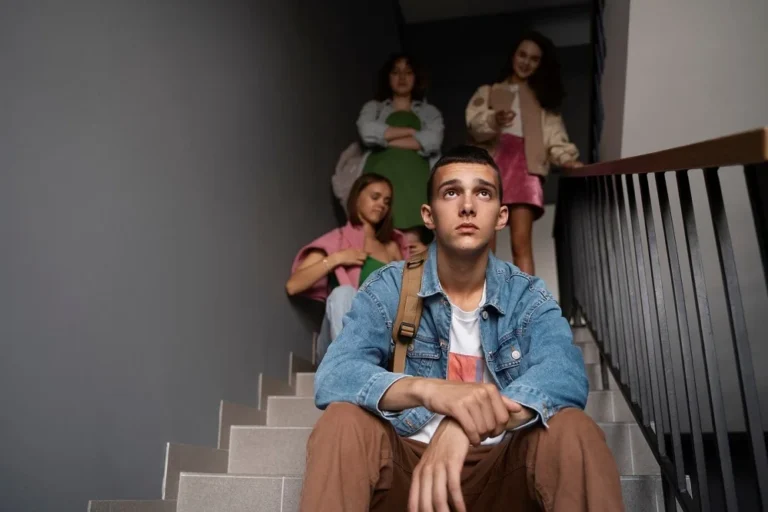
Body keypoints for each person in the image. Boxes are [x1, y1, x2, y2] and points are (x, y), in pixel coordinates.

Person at [299, 146, 623, 511]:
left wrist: (462, 425)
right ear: (429, 215)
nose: (467, 206)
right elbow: (335, 375)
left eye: (482, 193)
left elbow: (565, 376)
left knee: (574, 429)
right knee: (342, 421)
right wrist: (431, 391)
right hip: (409, 469)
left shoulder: (527, 295)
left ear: (501, 216)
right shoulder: (390, 287)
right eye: (451, 192)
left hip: (499, 468)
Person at [466, 31, 582, 275]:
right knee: (485, 243)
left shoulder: (543, 102)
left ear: (541, 64)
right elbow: (474, 125)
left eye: (534, 58)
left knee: (521, 244)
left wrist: (567, 159)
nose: (526, 62)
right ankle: (484, 304)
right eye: (522, 54)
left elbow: (554, 137)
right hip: (491, 167)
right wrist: (494, 119)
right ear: (512, 56)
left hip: (526, 169)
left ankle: (528, 307)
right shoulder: (489, 91)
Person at [286, 173, 407, 363]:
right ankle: (350, 367)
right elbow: (294, 286)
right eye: (375, 197)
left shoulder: (392, 247)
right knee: (343, 293)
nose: (381, 205)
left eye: (386, 201)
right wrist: (338, 258)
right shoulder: (338, 240)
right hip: (338, 343)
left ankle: (365, 367)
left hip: (381, 336)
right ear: (356, 198)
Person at [358, 53, 444, 231]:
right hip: (379, 172)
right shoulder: (374, 108)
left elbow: (433, 140)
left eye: (408, 72)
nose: (402, 77)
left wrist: (385, 139)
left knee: (415, 239)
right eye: (396, 72)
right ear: (388, 77)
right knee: (380, 233)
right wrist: (411, 132)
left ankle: (414, 260)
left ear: (416, 77)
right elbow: (367, 133)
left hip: (417, 177)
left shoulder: (429, 112)